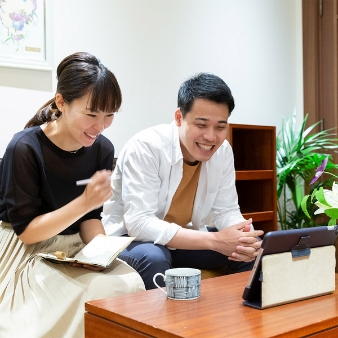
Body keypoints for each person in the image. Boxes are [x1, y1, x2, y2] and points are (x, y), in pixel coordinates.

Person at [0, 52, 145, 338]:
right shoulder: (24, 148)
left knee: (130, 282)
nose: (100, 126)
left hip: (74, 249)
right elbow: (27, 232)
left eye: (110, 115)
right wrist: (85, 202)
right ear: (61, 103)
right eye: (91, 114)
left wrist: (103, 250)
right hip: (26, 252)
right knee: (97, 290)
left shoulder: (103, 149)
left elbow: (90, 219)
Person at [102, 72, 264, 290]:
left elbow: (226, 210)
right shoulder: (146, 147)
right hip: (129, 242)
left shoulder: (223, 151)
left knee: (246, 253)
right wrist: (215, 242)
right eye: (202, 124)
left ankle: (235, 320)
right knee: (154, 257)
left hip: (179, 241)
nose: (211, 137)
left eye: (220, 127)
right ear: (179, 117)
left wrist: (244, 237)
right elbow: (139, 224)